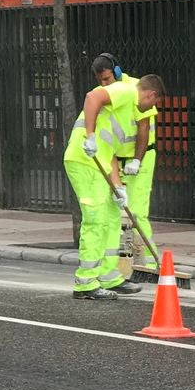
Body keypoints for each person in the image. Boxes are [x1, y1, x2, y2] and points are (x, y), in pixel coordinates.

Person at [61, 55, 162, 299]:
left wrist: (118, 187)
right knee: (95, 220)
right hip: (84, 160)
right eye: (154, 104)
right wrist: (90, 135)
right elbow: (91, 97)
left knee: (112, 218)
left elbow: (113, 153)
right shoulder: (127, 92)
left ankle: (108, 276)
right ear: (149, 96)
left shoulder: (129, 108)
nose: (152, 110)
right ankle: (85, 283)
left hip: (101, 163)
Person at [115, 73, 165, 271]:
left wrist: (136, 160)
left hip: (140, 160)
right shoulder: (115, 89)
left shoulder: (138, 91)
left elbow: (143, 127)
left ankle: (150, 262)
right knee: (119, 214)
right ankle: (125, 261)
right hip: (118, 161)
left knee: (136, 212)